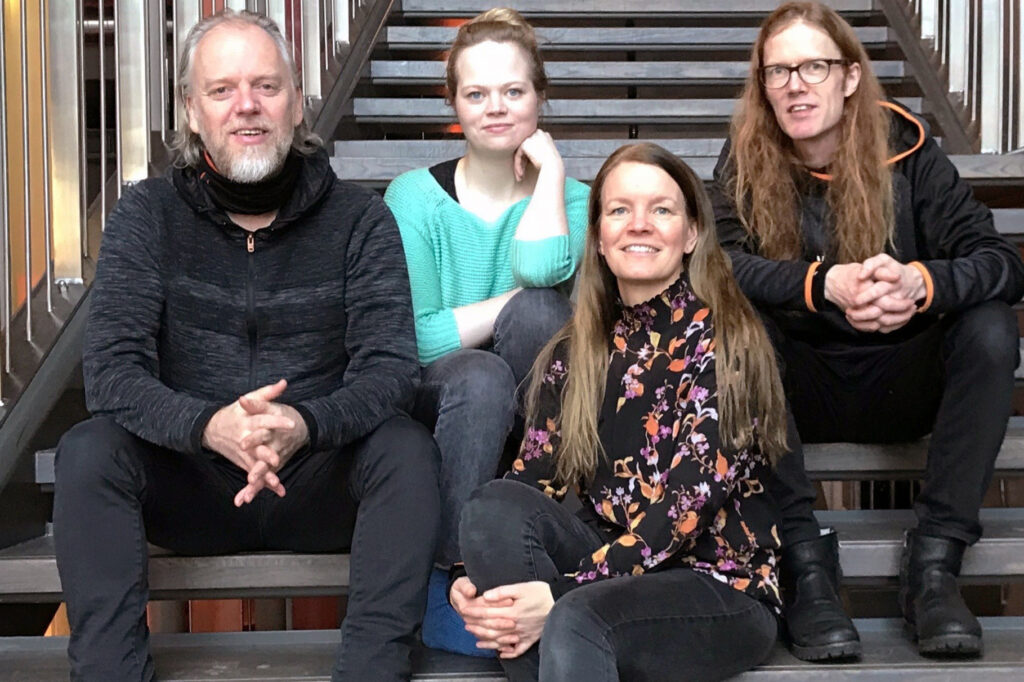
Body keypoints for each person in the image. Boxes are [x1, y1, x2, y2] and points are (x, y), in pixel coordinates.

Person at [52, 10, 439, 681]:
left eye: (266, 85)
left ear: (297, 103)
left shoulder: (360, 219)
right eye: (222, 89)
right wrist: (209, 426)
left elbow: (390, 370)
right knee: (88, 450)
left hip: (317, 479)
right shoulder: (145, 215)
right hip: (193, 481)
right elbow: (112, 373)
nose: (247, 106)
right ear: (191, 111)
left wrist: (305, 424)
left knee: (406, 449)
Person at [711, 0, 1024, 661]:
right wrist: (821, 284)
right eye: (777, 71)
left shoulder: (910, 152)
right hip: (797, 390)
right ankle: (806, 566)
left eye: (814, 67)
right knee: (734, 328)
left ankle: (934, 565)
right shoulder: (744, 156)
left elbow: (1000, 262)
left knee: (992, 325)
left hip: (902, 383)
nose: (795, 85)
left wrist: (919, 284)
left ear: (850, 76)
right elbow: (721, 265)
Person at [451, 143, 787, 681]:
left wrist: (560, 593)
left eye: (661, 209)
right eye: (619, 210)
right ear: (600, 239)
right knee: (492, 509)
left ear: (691, 234)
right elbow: (532, 481)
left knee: (575, 617)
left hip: (719, 587)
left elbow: (683, 509)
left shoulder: (727, 341)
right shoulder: (575, 350)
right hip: (610, 572)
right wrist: (471, 577)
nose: (639, 224)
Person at [383, 8, 589, 656]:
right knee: (481, 372)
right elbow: (415, 340)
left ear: (540, 97)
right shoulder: (414, 197)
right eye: (476, 94)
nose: (495, 108)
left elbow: (540, 274)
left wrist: (551, 176)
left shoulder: (576, 200)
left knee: (540, 313)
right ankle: (452, 574)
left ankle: (522, 542)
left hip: (539, 407)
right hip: (447, 400)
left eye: (513, 91)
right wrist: (508, 306)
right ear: (454, 103)